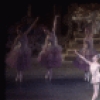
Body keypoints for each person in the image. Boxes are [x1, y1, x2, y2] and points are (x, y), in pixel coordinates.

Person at [6, 17, 39, 82]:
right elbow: (14, 44)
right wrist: (11, 51)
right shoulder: (17, 38)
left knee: (22, 63)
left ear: (21, 31)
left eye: (19, 31)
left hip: (25, 50)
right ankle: (18, 74)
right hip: (19, 50)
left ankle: (21, 74)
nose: (18, 32)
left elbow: (31, 27)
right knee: (18, 63)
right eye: (17, 31)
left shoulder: (25, 34)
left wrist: (35, 21)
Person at [37, 16, 62, 81]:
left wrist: (55, 18)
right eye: (44, 31)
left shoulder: (53, 32)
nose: (45, 32)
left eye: (45, 30)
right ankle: (48, 73)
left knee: (51, 63)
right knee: (48, 63)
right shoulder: (47, 37)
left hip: (54, 49)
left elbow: (54, 25)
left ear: (48, 29)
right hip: (49, 49)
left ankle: (49, 74)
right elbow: (46, 44)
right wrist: (43, 50)